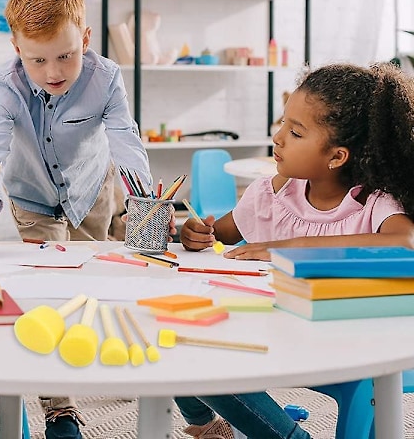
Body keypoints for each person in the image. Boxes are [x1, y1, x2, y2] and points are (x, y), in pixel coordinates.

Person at [176, 62, 414, 439]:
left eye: (296, 131)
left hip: (349, 346)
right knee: (182, 346)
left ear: (337, 156)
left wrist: (290, 248)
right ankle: (212, 428)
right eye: (282, 123)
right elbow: (219, 233)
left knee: (206, 363)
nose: (279, 137)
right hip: (275, 331)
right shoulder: (271, 195)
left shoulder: (372, 203)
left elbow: (407, 243)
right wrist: (195, 232)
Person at [0, 0, 152, 438]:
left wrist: (146, 203)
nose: (53, 70)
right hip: (31, 196)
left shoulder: (107, 77)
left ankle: (106, 358)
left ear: (85, 39)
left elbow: (125, 140)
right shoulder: (5, 84)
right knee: (48, 291)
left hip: (92, 190)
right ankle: (61, 407)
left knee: (90, 282)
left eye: (65, 55)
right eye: (37, 59)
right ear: (16, 47)